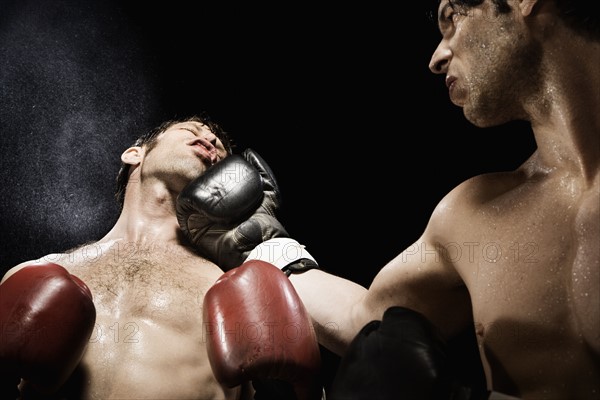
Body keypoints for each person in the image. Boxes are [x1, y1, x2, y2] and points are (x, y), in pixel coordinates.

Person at [178, 0, 599, 398]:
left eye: (451, 18)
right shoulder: (474, 213)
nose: (436, 57)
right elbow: (363, 319)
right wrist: (258, 243)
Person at [0, 114, 322, 399]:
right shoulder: (35, 273)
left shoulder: (238, 287)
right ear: (134, 153)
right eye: (192, 129)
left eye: (221, 147)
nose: (210, 139)